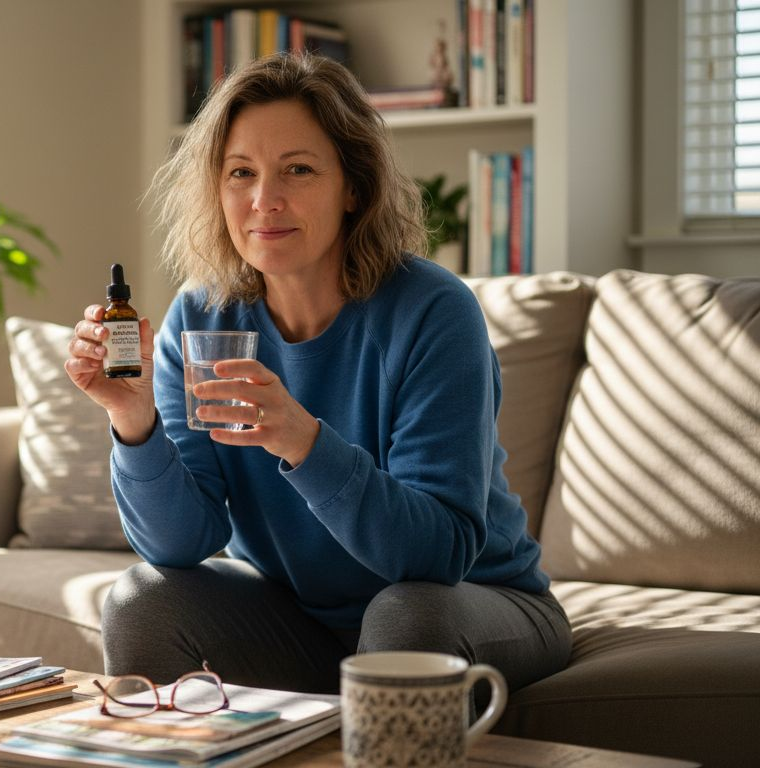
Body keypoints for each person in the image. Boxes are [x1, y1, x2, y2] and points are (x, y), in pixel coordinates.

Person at [63, 53, 571, 696]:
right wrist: (134, 421)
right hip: (300, 622)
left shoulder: (433, 312)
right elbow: (181, 544)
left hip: (471, 603)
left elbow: (435, 557)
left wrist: (303, 441)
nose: (263, 200)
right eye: (240, 172)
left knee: (405, 614)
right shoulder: (199, 316)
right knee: (144, 597)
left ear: (353, 186)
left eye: (297, 170)